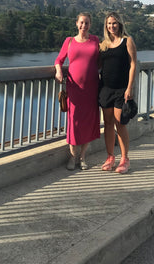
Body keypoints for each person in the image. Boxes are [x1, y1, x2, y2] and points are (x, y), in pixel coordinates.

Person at [55, 12, 100, 170]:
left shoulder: (95, 40)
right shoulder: (69, 41)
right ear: (76, 23)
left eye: (86, 23)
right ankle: (72, 157)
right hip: (74, 89)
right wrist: (59, 71)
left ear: (90, 25)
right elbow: (58, 60)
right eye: (81, 23)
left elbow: (102, 60)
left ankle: (82, 157)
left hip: (92, 88)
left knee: (88, 122)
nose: (83, 26)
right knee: (73, 123)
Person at [98, 11, 137, 174]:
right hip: (105, 89)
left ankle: (125, 159)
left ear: (119, 24)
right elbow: (98, 65)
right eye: (109, 23)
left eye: (114, 23)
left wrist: (129, 88)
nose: (111, 26)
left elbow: (133, 64)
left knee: (120, 124)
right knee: (107, 125)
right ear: (106, 26)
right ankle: (110, 157)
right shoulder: (104, 44)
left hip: (121, 90)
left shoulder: (127, 41)